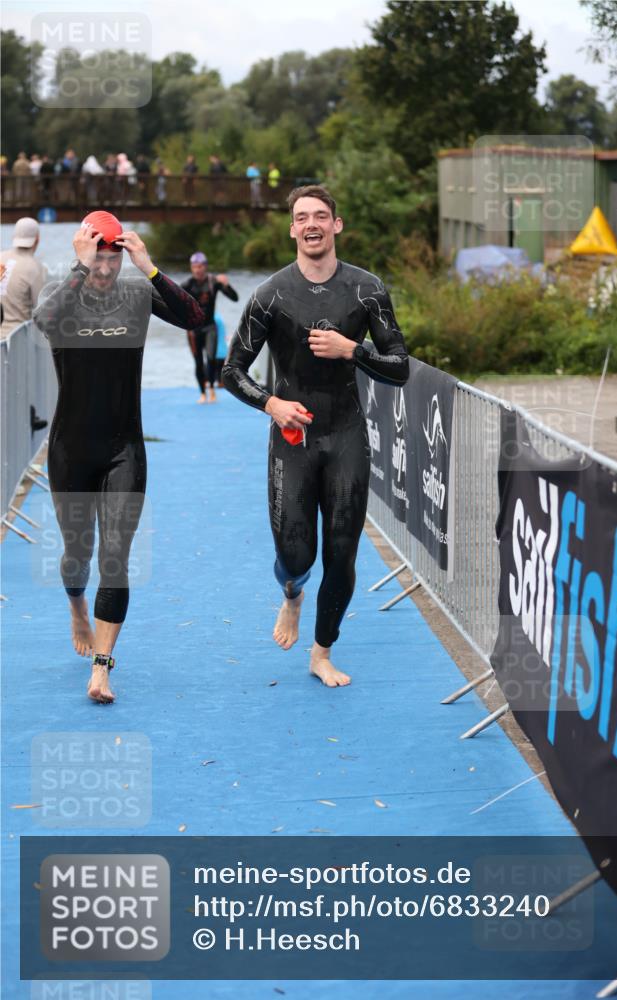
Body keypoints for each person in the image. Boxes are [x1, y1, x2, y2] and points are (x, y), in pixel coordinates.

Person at [223, 185, 409, 687]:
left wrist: (354, 350)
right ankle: (292, 594)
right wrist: (272, 403)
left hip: (346, 434)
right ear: (292, 229)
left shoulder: (367, 289)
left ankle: (322, 652)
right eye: (302, 217)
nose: (312, 224)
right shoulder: (271, 295)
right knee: (296, 556)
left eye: (321, 216)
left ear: (336, 225)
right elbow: (231, 370)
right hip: (293, 441)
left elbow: (400, 367)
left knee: (342, 555)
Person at [33, 210, 205, 703]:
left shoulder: (136, 293)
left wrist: (149, 267)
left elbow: (194, 318)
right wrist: (79, 269)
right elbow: (44, 323)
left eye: (113, 258)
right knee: (78, 555)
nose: (106, 268)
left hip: (123, 447)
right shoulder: (62, 290)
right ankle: (76, 607)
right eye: (99, 258)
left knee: (115, 558)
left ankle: (103, 669)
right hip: (70, 447)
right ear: (84, 252)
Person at [181, 251, 239, 403]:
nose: (198, 270)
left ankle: (212, 388)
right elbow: (174, 304)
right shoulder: (187, 285)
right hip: (193, 330)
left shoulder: (214, 282)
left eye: (200, 266)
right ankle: (202, 393)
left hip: (210, 327)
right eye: (194, 267)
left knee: (211, 359)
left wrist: (227, 284)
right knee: (198, 362)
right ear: (191, 268)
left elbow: (235, 298)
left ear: (205, 267)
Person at [1, 217, 47, 338]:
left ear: (13, 237)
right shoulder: (35, 267)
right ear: (37, 240)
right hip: (16, 338)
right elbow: (41, 309)